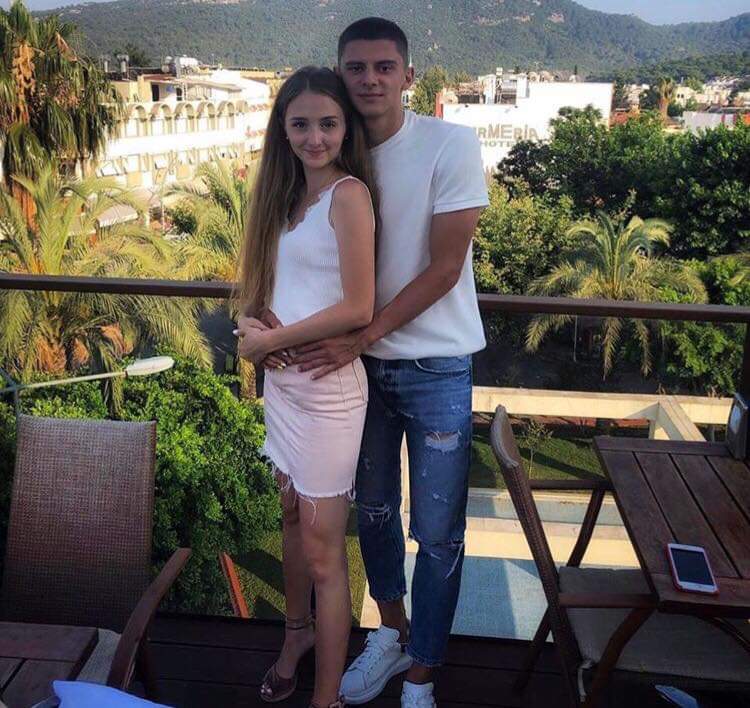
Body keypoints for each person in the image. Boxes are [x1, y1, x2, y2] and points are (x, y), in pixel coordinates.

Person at [288, 18, 489, 708]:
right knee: (372, 513)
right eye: (356, 67)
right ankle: (393, 634)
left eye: (383, 66)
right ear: (340, 73)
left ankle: (423, 673)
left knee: (437, 535)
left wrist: (361, 334)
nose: (370, 79)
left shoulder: (450, 144)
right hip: (360, 370)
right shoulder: (334, 154)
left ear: (409, 75)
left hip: (436, 366)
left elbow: (444, 267)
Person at [234, 66, 378, 708]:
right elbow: (283, 290)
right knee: (290, 519)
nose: (314, 137)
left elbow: (358, 305)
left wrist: (269, 343)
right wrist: (256, 324)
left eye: (327, 123)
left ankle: (327, 699)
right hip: (287, 391)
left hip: (327, 395)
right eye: (300, 124)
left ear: (345, 128)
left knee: (324, 558)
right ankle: (296, 637)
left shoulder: (348, 195)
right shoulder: (287, 198)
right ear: (283, 130)